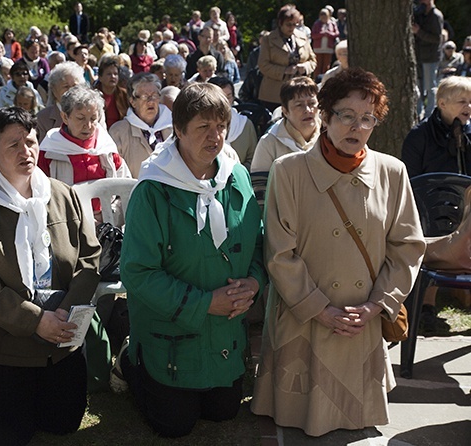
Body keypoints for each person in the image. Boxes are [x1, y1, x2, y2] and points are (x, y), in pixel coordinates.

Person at [252, 67, 426, 436]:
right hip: (304, 321)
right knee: (302, 420)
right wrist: (320, 309)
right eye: (347, 115)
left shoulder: (392, 172)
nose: (357, 127)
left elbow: (408, 247)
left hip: (362, 320)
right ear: (325, 116)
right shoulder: (288, 170)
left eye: (368, 119)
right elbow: (279, 252)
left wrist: (377, 305)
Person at [117, 82, 266, 438]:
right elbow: (137, 273)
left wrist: (255, 282)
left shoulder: (238, 177)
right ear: (178, 130)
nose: (215, 137)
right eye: (202, 127)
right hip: (172, 332)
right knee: (175, 425)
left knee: (223, 413)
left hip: (224, 331)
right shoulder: (153, 190)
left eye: (221, 126)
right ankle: (130, 361)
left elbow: (258, 242)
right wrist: (204, 303)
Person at [0, 107, 100, 445]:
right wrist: (35, 321)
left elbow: (89, 258)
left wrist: (66, 312)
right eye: (13, 144)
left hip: (62, 335)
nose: (25, 151)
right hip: (4, 344)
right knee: (12, 435)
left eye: (30, 141)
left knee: (64, 423)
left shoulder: (61, 194)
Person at [39, 84, 131, 187]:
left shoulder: (105, 146)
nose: (88, 126)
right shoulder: (49, 150)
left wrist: (115, 203)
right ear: (65, 117)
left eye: (93, 118)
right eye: (80, 118)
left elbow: (125, 184)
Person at [402, 76, 471, 178]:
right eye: (462, 102)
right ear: (442, 104)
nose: (469, 106)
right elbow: (410, 180)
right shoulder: (420, 136)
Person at [251, 76, 320, 173]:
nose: (308, 110)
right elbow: (259, 184)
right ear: (285, 111)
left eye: (312, 103)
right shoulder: (269, 142)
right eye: (299, 105)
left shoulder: (331, 135)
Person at [109, 73, 173, 177]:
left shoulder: (173, 126)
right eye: (145, 96)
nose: (150, 101)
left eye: (154, 95)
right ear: (132, 101)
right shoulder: (118, 132)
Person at [258, 4, 316, 111]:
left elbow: (313, 61)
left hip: (301, 92)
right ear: (280, 23)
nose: (292, 28)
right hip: (274, 94)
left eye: (295, 24)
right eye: (289, 24)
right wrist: (285, 71)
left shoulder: (302, 37)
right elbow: (263, 65)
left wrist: (305, 67)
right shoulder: (268, 39)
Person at [208, 76, 258, 169]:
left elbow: (253, 158)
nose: (225, 101)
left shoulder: (245, 124)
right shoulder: (200, 126)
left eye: (229, 96)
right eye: (220, 97)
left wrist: (236, 172)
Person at [36, 61, 86, 142]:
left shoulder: (92, 113)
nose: (71, 91)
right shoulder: (42, 118)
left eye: (75, 86)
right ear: (54, 91)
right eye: (66, 86)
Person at [413, 0, 444, 118]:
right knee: (418, 86)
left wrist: (419, 32)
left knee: (430, 87)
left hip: (430, 58)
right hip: (419, 56)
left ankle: (430, 113)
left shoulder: (436, 15)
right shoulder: (421, 14)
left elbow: (437, 39)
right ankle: (419, 112)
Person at [94, 55, 129, 128]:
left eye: (115, 74)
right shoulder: (93, 95)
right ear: (100, 78)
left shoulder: (125, 94)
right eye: (109, 74)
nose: (113, 77)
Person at [311, 8, 340, 80]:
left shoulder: (332, 23)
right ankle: (316, 80)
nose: (324, 17)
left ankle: (324, 80)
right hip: (318, 48)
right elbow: (313, 35)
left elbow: (336, 34)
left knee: (326, 66)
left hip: (328, 48)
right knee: (317, 65)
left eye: (325, 16)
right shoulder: (316, 24)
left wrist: (328, 34)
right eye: (322, 16)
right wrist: (322, 34)